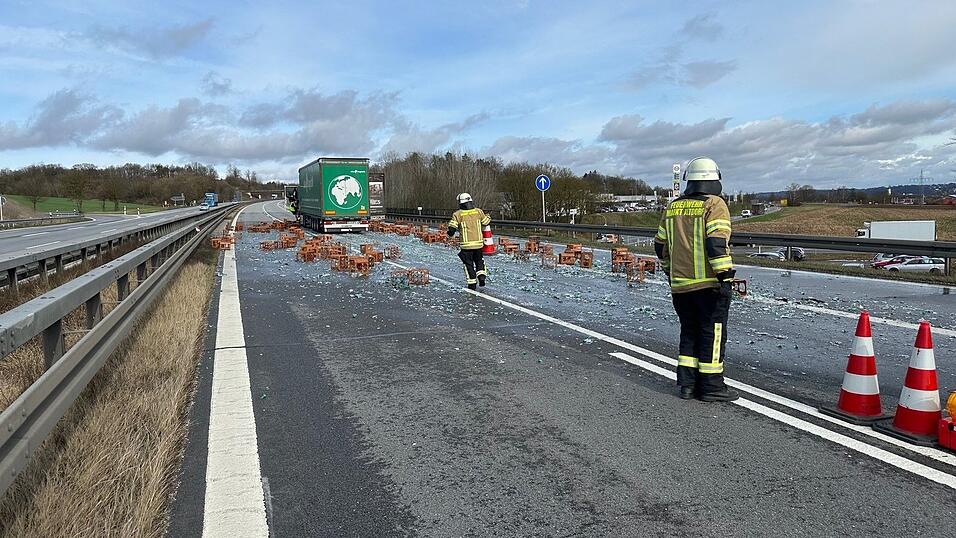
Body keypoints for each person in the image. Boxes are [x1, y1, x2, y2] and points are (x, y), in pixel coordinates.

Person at [654, 157, 739, 402]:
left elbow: (660, 246)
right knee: (712, 334)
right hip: (708, 285)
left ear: (689, 180)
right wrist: (725, 277)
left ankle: (687, 386)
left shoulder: (673, 206)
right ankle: (712, 387)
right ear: (714, 179)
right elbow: (716, 244)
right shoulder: (715, 204)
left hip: (680, 286)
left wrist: (670, 272)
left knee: (689, 332)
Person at [447, 193, 491, 290]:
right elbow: (485, 222)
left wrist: (450, 233)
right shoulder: (478, 212)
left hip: (466, 246)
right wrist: (488, 216)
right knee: (479, 261)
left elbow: (452, 228)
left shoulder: (457, 214)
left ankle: (472, 284)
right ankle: (481, 277)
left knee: (468, 264)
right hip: (478, 244)